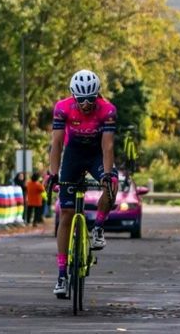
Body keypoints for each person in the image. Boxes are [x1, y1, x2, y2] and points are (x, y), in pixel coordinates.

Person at [48, 69, 118, 296]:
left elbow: (108, 146)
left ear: (97, 95)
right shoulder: (62, 108)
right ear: (73, 96)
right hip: (74, 155)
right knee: (66, 213)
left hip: (97, 154)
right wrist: (52, 173)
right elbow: (57, 144)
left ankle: (98, 227)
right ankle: (61, 274)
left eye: (91, 99)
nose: (86, 104)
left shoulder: (107, 110)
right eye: (81, 99)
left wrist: (107, 175)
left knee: (112, 184)